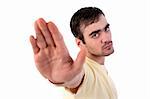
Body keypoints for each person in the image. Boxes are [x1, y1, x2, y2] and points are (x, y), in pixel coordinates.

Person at [29, 7, 117, 99]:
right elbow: (78, 79)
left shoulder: (100, 68)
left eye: (106, 29)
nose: (106, 38)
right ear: (80, 43)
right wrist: (69, 79)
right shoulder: (86, 72)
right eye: (95, 35)